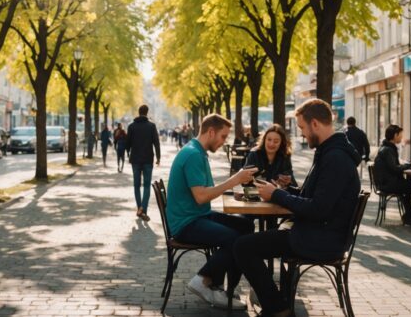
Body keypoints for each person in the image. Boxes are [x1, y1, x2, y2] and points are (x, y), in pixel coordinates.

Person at [233, 99, 361, 317]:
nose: (302, 134)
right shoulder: (329, 152)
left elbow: (318, 209)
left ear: (315, 124)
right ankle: (277, 303)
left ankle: (277, 308)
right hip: (318, 233)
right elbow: (311, 198)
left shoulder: (335, 158)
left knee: (242, 247)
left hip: (321, 239)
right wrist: (282, 191)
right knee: (248, 243)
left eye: (302, 127)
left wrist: (277, 195)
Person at [166, 114, 257, 310]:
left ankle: (226, 289)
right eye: (223, 136)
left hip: (197, 215)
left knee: (246, 226)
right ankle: (204, 281)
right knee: (235, 239)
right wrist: (234, 181)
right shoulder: (193, 155)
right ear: (211, 132)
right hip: (186, 223)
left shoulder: (197, 152)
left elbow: (205, 192)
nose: (225, 141)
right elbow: (201, 196)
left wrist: (234, 191)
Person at [373, 124, 411, 226]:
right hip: (389, 184)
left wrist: (405, 166)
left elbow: (394, 166)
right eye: (401, 135)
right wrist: (409, 165)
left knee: (408, 189)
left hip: (386, 182)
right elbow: (394, 168)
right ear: (395, 135)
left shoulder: (386, 148)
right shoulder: (388, 150)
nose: (402, 137)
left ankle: (410, 216)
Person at [126, 104, 161, 221]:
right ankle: (143, 209)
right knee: (146, 186)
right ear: (147, 113)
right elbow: (156, 142)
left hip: (135, 160)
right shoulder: (151, 126)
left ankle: (139, 208)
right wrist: (158, 157)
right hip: (147, 159)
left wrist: (127, 154)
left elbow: (128, 143)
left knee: (136, 185)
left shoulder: (131, 127)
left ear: (138, 112)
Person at [242, 123, 297, 188]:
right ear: (264, 140)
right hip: (256, 194)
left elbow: (293, 184)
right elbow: (244, 182)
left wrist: (288, 182)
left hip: (276, 195)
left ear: (281, 143)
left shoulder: (285, 156)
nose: (271, 144)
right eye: (269, 140)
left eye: (276, 141)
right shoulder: (254, 154)